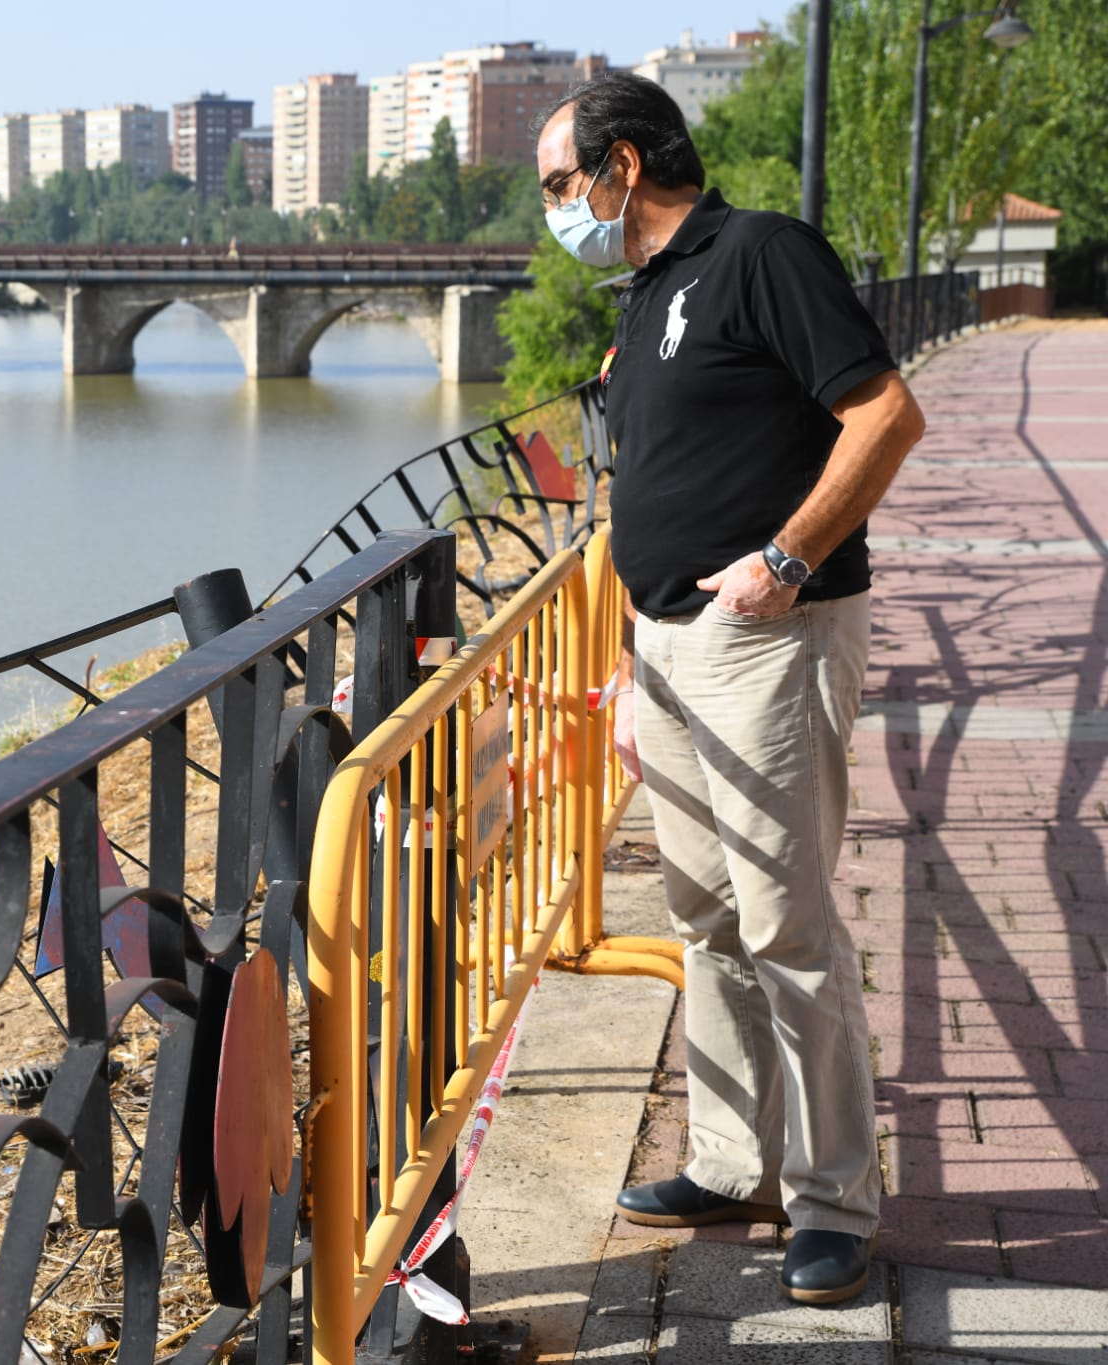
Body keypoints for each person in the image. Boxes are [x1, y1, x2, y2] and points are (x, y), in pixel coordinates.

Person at [531, 72, 925, 1305]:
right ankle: (728, 1158)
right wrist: (634, 635)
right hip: (665, 648)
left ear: (623, 166)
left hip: (765, 637)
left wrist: (784, 558)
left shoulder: (758, 254)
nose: (555, 209)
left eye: (559, 184)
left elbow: (884, 414)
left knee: (786, 928)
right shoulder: (650, 288)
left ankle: (829, 1202)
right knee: (703, 919)